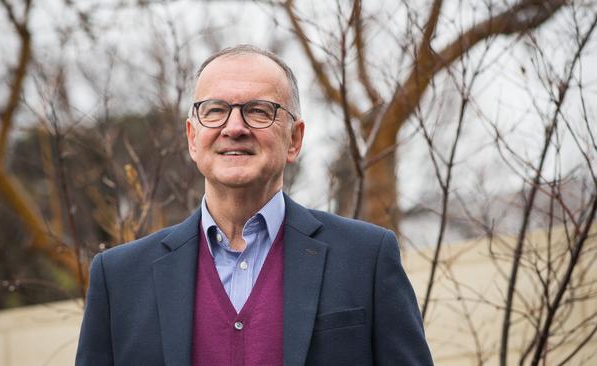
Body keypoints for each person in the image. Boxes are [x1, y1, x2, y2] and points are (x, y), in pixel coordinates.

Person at [76, 44, 433, 366]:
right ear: (192, 138)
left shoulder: (366, 258)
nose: (234, 127)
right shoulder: (119, 278)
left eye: (259, 111)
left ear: (294, 139)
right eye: (215, 110)